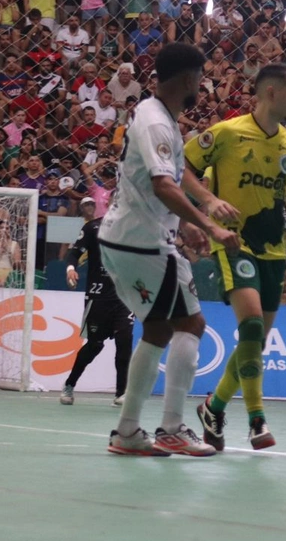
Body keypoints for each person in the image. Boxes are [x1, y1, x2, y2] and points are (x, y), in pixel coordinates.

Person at [98, 42, 240, 457]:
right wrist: (209, 225)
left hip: (125, 239)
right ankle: (173, 428)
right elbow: (163, 186)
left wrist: (193, 216)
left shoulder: (155, 115)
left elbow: (170, 181)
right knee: (191, 325)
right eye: (202, 76)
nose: (204, 83)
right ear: (188, 78)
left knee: (159, 329)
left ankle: (127, 433)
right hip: (143, 243)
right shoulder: (159, 124)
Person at [190, 64, 286, 452]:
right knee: (251, 325)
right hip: (234, 242)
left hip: (273, 247)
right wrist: (210, 200)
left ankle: (213, 407)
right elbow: (181, 169)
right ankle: (256, 419)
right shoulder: (227, 133)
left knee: (257, 340)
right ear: (271, 92)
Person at [61, 198, 134, 407]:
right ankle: (69, 384)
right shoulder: (93, 227)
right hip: (98, 296)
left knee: (125, 340)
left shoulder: (136, 230)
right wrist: (70, 269)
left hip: (125, 297)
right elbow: (74, 253)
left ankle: (121, 393)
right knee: (94, 345)